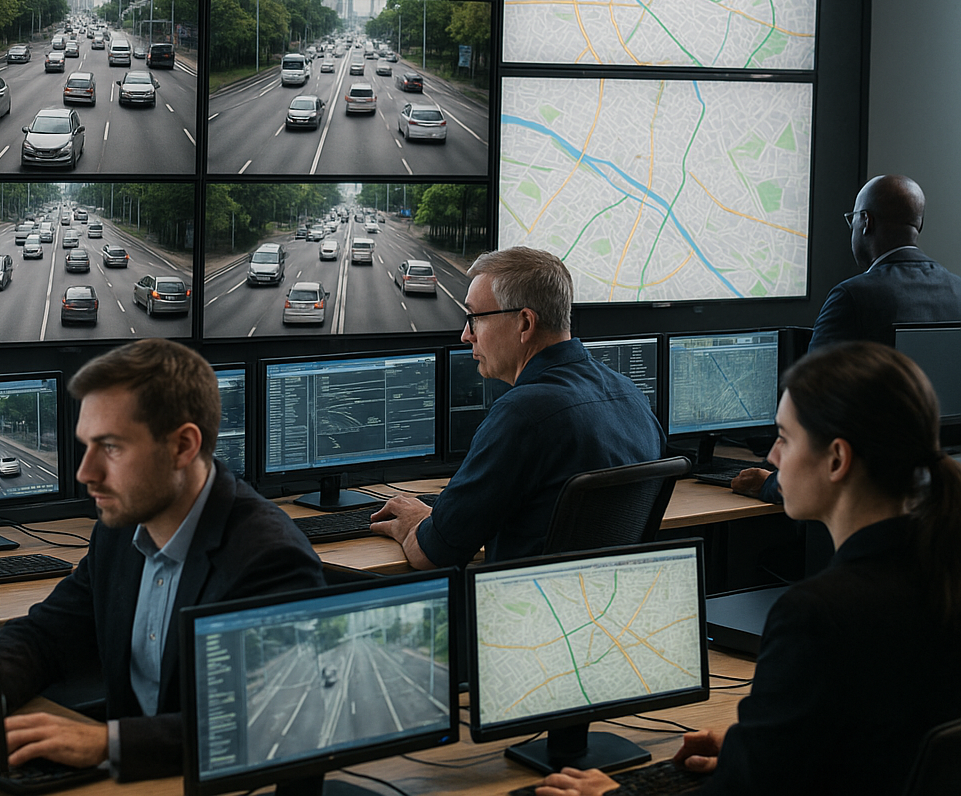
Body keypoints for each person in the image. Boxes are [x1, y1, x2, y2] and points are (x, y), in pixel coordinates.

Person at [533, 342, 961, 796]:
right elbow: (882, 741)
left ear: (837, 459)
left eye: (784, 438)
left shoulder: (817, 615)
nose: (772, 457)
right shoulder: (941, 575)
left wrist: (617, 795)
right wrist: (756, 746)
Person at [0, 339, 325, 781]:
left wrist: (106, 744)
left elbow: (272, 722)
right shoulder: (120, 528)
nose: (85, 473)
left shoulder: (269, 558)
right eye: (87, 445)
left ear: (182, 446)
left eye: (110, 447)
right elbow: (46, 636)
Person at [370, 247, 666, 568]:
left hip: (528, 596)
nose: (466, 335)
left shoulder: (523, 414)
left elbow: (432, 555)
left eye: (475, 318)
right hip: (603, 594)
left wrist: (415, 522)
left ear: (525, 323)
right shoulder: (632, 396)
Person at [734, 173, 961, 502]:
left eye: (852, 219)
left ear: (865, 222)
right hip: (938, 500)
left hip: (862, 498)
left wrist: (771, 484)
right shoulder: (958, 292)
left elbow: (810, 412)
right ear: (919, 225)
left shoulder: (853, 297)